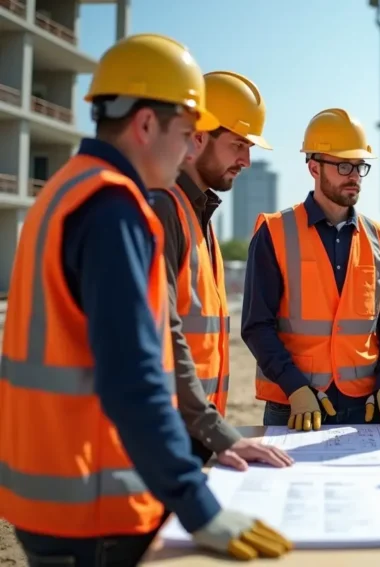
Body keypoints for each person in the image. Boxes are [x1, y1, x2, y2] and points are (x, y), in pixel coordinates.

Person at [0, 34, 291, 565]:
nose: (188, 149)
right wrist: (198, 506)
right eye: (187, 134)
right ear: (146, 125)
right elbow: (135, 375)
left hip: (54, 492)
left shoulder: (69, 190)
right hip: (92, 504)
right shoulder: (113, 209)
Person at [150, 70, 292, 470]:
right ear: (197, 138)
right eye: (237, 146)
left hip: (190, 434)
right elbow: (161, 337)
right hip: (165, 436)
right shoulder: (164, 209)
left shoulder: (198, 215)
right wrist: (215, 432)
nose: (246, 161)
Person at [242, 107, 380, 431]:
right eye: (344, 165)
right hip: (294, 406)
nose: (354, 176)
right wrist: (295, 387)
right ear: (314, 167)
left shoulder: (379, 238)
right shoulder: (275, 232)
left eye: (360, 166)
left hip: (365, 406)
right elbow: (256, 325)